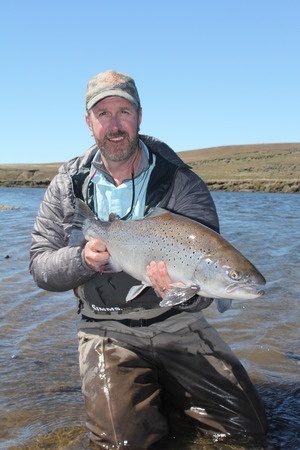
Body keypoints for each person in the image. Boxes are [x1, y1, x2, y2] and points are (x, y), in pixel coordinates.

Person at [30, 70, 267, 449]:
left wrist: (185, 294)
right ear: (88, 122)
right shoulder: (67, 184)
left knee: (248, 432)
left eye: (123, 111)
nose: (115, 124)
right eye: (103, 114)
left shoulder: (181, 181)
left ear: (139, 116)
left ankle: (168, 396)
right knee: (124, 444)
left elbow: (207, 289)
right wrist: (83, 259)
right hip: (106, 329)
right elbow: (40, 266)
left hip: (177, 324)